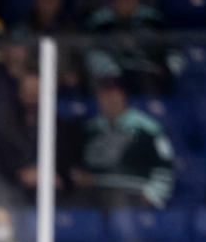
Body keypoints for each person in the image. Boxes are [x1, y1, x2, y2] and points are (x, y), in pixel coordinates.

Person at [68, 72, 175, 210]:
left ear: (124, 97)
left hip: (133, 196)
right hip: (94, 196)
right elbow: (74, 166)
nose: (110, 100)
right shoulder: (88, 129)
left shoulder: (148, 129)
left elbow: (165, 167)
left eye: (114, 94)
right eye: (105, 94)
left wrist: (152, 196)